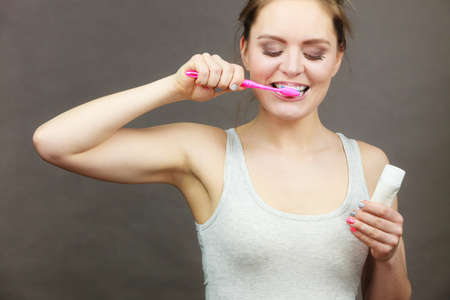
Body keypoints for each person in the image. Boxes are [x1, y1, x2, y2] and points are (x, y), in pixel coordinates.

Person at [33, 0, 411, 299]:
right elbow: (54, 143)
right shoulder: (203, 152)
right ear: (245, 51)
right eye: (272, 49)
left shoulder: (370, 164)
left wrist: (389, 257)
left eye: (314, 54)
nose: (293, 67)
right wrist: (174, 88)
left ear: (337, 58)